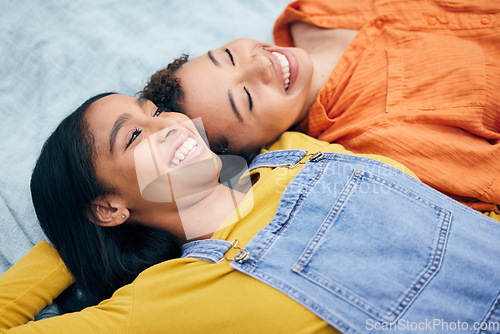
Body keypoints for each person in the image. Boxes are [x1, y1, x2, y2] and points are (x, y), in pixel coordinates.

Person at [1, 93, 500, 333]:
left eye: (153, 111)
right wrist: (74, 241)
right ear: (109, 206)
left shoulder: (292, 148)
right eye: (132, 136)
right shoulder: (167, 300)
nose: (166, 125)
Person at [140, 0, 500, 215]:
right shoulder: (380, 143)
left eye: (229, 56)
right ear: (258, 149)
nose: (258, 65)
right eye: (247, 99)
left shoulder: (309, 11)